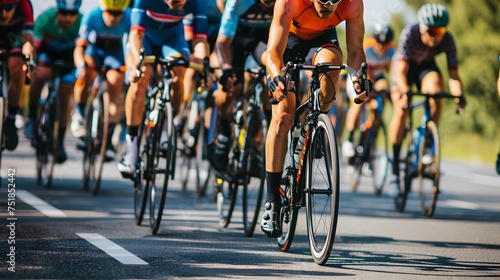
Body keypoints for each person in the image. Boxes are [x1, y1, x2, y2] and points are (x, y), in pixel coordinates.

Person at [263, 0, 370, 237]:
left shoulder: (352, 3)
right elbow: (272, 53)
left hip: (323, 40)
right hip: (288, 43)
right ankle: (272, 200)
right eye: (322, 0)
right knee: (282, 116)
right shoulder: (289, 2)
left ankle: (313, 125)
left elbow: (354, 51)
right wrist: (275, 77)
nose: (329, 5)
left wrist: (357, 77)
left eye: (334, 0)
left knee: (332, 66)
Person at [117, 0, 209, 178]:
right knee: (141, 77)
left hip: (172, 38)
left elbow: (200, 39)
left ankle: (167, 122)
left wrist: (202, 61)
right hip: (145, 37)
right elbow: (136, 33)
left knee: (180, 71)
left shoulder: (198, 2)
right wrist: (137, 61)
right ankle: (131, 149)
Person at [387, 3, 466, 197]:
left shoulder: (447, 40)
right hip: (404, 68)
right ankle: (395, 169)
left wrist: (458, 96)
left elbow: (453, 75)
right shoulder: (410, 33)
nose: (434, 36)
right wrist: (405, 91)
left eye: (439, 31)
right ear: (422, 28)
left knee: (437, 91)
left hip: (426, 69)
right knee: (402, 106)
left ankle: (427, 140)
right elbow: (401, 72)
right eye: (430, 30)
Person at [209, 0, 275, 172]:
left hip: (263, 41)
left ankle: (258, 144)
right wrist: (226, 70)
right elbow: (221, 43)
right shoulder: (238, 2)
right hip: (236, 40)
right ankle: (223, 135)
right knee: (231, 88)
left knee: (273, 86)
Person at [24, 0, 82, 163]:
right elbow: (33, 46)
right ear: (58, 10)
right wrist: (32, 64)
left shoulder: (82, 22)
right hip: (46, 57)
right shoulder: (45, 19)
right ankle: (31, 117)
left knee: (65, 96)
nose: (68, 18)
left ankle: (59, 142)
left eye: (72, 14)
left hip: (68, 61)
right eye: (64, 13)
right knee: (40, 75)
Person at [72, 0, 131, 161]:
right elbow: (80, 47)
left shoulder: (129, 17)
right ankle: (80, 113)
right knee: (87, 72)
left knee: (116, 80)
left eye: (117, 13)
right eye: (109, 12)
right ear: (102, 9)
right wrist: (80, 65)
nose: (113, 17)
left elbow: (132, 46)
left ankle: (108, 134)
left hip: (115, 55)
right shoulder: (92, 16)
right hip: (94, 52)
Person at [342, 24, 395, 160]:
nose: (381, 46)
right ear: (373, 39)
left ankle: (371, 131)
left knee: (383, 93)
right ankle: (350, 138)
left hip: (377, 77)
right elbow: (357, 66)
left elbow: (391, 72)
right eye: (378, 42)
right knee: (360, 101)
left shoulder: (391, 52)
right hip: (361, 75)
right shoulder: (366, 48)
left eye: (385, 43)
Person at [0, 0, 34, 151]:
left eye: (9, 8)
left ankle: (11, 118)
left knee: (18, 65)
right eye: (0, 8)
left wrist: (28, 60)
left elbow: (28, 41)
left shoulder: (25, 5)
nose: (4, 13)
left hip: (13, 38)